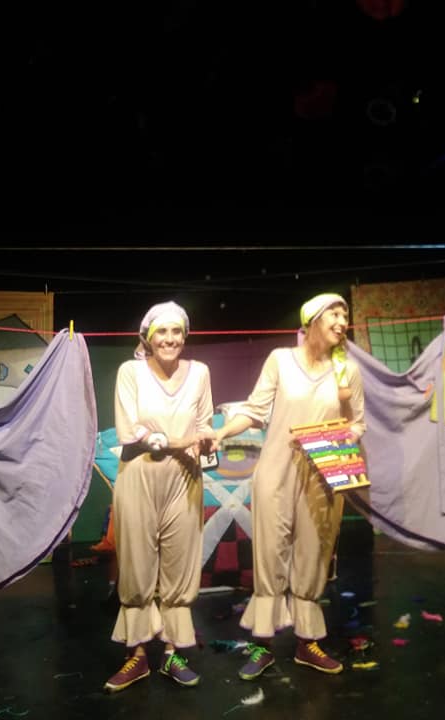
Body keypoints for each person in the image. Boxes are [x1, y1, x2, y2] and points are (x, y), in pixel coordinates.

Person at [212, 293, 366, 680]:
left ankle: (307, 644)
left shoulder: (347, 371)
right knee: (271, 552)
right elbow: (254, 411)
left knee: (314, 554)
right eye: (334, 314)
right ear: (311, 321)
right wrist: (221, 433)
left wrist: (338, 437)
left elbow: (358, 423)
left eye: (345, 315)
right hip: (277, 469)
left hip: (324, 471)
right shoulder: (280, 360)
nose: (341, 321)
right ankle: (263, 645)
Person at [103, 301, 215, 693]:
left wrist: (205, 442)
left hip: (184, 479)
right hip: (139, 477)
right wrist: (179, 440)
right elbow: (129, 432)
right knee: (137, 565)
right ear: (147, 338)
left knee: (179, 567)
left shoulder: (200, 373)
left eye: (176, 332)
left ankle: (171, 652)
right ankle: (136, 656)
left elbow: (204, 424)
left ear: (185, 335)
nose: (169, 339)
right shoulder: (130, 372)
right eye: (161, 332)